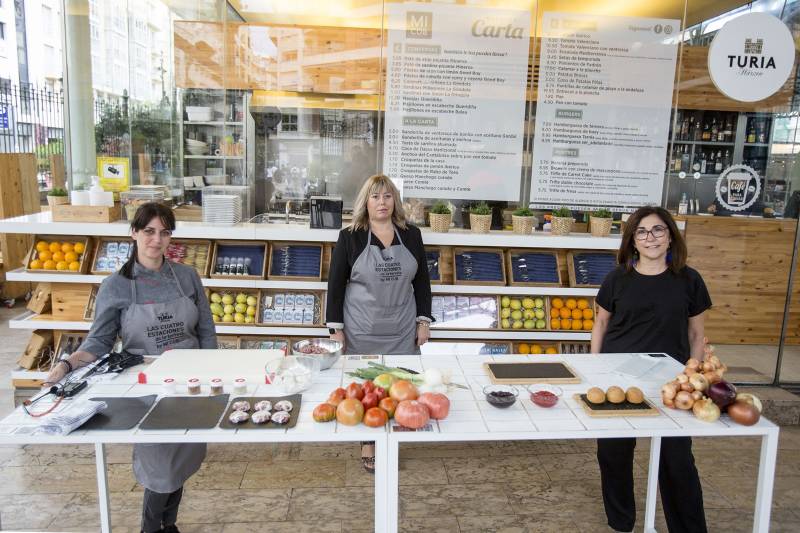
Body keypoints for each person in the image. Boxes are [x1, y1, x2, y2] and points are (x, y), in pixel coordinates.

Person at [44, 202, 217, 533]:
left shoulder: (187, 277)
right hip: (147, 386)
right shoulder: (116, 286)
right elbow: (98, 343)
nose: (157, 240)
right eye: (149, 231)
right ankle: (150, 528)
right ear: (134, 232)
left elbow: (206, 331)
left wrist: (210, 377)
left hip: (190, 382)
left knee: (182, 460)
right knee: (161, 464)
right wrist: (66, 365)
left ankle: (170, 525)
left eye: (165, 232)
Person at [591, 205, 711, 533]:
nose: (650, 237)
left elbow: (697, 334)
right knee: (613, 454)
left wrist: (694, 378)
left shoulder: (689, 280)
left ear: (670, 236)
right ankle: (621, 521)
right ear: (632, 241)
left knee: (676, 459)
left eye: (658, 230)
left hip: (669, 382)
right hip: (618, 376)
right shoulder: (617, 279)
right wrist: (596, 369)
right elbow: (601, 324)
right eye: (642, 232)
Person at [326, 174, 433, 471]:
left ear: (394, 201)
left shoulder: (411, 234)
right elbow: (335, 284)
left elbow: (422, 281)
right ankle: (368, 442)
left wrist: (423, 322)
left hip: (401, 326)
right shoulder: (351, 236)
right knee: (366, 388)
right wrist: (336, 329)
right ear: (366, 202)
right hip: (362, 327)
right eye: (375, 196)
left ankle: (395, 438)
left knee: (402, 386)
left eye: (387, 196)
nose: (382, 202)